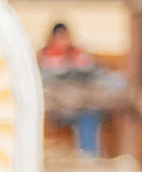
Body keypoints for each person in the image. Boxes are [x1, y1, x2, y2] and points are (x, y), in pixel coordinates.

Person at [37, 21, 106, 158]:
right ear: (52, 38)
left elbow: (92, 70)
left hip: (78, 104)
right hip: (55, 106)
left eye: (65, 37)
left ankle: (88, 154)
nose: (63, 42)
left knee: (90, 112)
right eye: (59, 37)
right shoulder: (45, 56)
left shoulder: (76, 54)